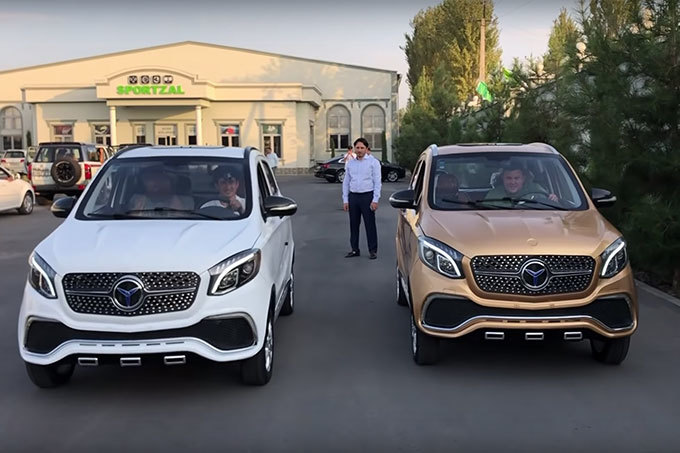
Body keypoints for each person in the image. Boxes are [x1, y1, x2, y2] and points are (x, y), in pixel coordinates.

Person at [342, 138, 382, 260]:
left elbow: (377, 182)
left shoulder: (373, 163)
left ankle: (373, 250)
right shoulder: (351, 163)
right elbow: (346, 182)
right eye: (357, 148)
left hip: (367, 196)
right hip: (354, 196)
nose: (359, 150)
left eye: (362, 148)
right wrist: (345, 199)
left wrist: (375, 199)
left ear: (366, 149)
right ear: (354, 149)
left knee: (370, 224)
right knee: (353, 224)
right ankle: (355, 249)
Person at [484, 163, 558, 205]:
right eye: (509, 178)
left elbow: (548, 206)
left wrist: (553, 200)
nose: (513, 182)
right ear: (502, 178)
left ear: (523, 179)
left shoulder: (536, 190)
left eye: (516, 178)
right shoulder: (493, 195)